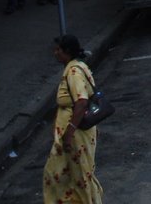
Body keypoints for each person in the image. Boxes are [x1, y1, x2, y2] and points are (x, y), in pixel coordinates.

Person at [43, 35, 104, 204]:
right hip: (80, 132)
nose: (55, 53)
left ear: (67, 52)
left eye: (58, 50)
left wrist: (69, 132)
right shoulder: (78, 67)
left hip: (76, 134)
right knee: (74, 174)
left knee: (77, 176)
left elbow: (82, 102)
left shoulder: (74, 72)